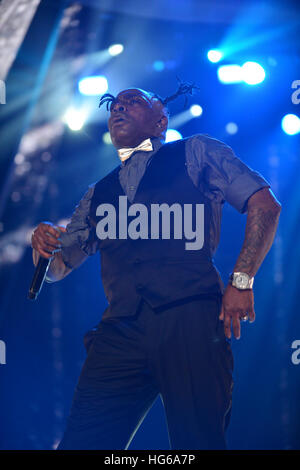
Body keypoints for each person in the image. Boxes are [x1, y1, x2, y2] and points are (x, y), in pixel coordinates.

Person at [31, 84, 281, 450]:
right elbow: (58, 268)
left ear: (160, 121)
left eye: (133, 101)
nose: (119, 108)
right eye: (114, 105)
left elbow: (264, 203)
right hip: (120, 331)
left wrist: (241, 280)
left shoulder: (195, 152)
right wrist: (43, 246)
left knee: (198, 442)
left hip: (190, 318)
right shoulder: (97, 193)